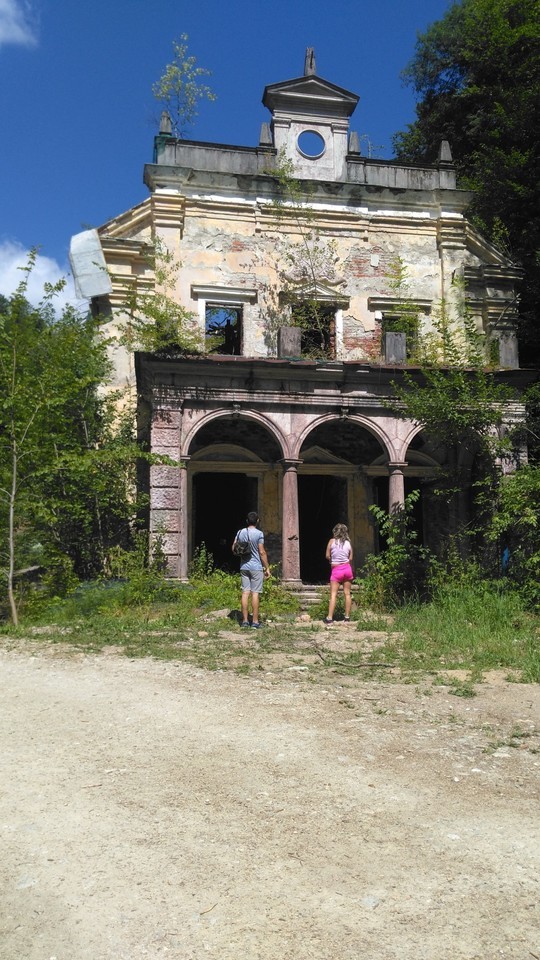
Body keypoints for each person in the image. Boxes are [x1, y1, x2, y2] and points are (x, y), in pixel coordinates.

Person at [232, 511, 270, 628]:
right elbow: (262, 552)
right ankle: (255, 622)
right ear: (257, 521)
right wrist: (267, 568)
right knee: (255, 594)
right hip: (256, 567)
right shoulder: (259, 534)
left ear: (247, 521)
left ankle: (244, 621)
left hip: (244, 566)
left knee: (245, 593)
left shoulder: (240, 532)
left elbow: (233, 547)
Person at [324, 523, 354, 625]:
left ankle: (329, 618)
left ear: (335, 531)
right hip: (347, 568)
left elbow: (327, 555)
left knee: (333, 595)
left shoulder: (331, 541)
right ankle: (347, 617)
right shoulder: (348, 543)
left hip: (336, 569)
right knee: (347, 594)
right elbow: (350, 558)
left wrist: (333, 559)